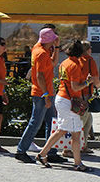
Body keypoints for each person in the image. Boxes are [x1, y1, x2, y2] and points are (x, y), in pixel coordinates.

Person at [36, 39, 92, 172]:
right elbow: (75, 87)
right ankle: (78, 163)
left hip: (62, 98)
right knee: (76, 134)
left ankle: (42, 154)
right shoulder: (75, 65)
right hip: (70, 101)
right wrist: (87, 83)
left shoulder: (64, 63)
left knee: (61, 130)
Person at [15, 28, 58, 163]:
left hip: (46, 92)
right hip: (42, 93)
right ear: (48, 41)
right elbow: (39, 76)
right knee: (36, 123)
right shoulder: (41, 53)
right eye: (53, 40)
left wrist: (56, 48)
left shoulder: (38, 49)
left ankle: (50, 151)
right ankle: (21, 151)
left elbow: (53, 63)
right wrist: (46, 95)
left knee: (51, 122)